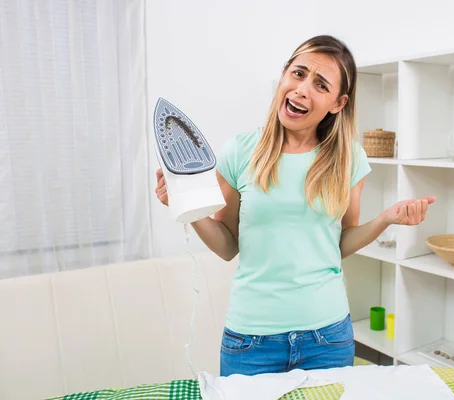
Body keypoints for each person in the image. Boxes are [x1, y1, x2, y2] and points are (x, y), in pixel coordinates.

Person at [155, 34, 435, 377]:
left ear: (338, 102)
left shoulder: (350, 160)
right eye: (299, 74)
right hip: (250, 341)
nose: (303, 89)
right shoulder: (240, 152)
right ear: (285, 74)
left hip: (328, 337)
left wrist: (386, 219)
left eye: (320, 84)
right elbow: (228, 245)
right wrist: (189, 208)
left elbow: (339, 244)